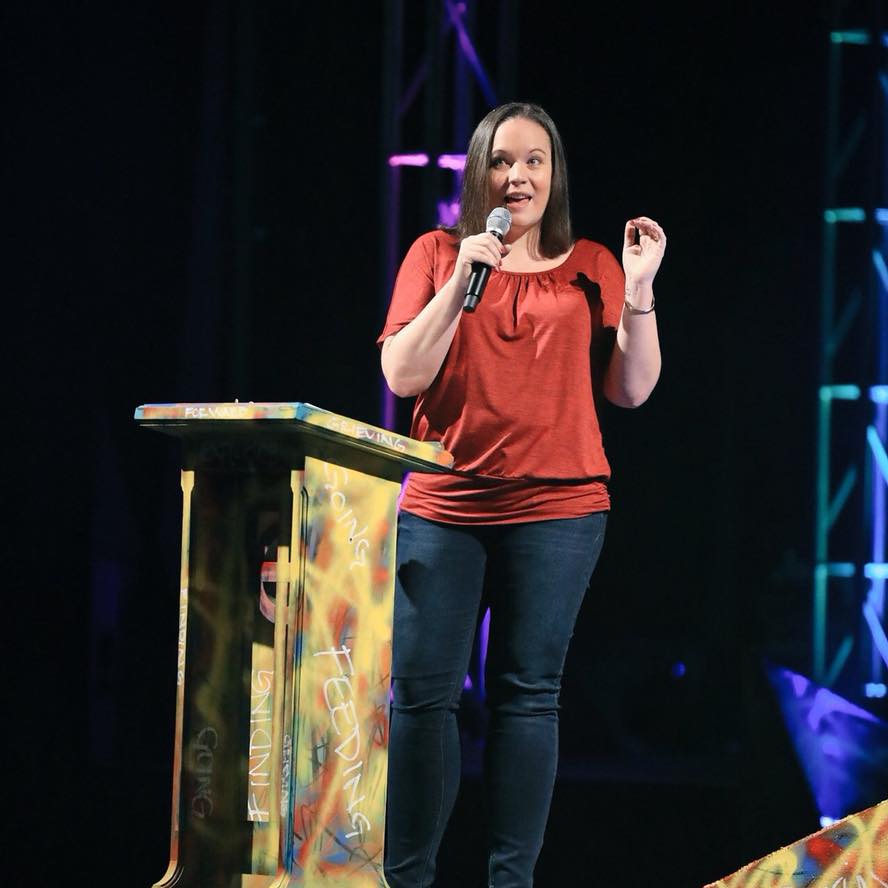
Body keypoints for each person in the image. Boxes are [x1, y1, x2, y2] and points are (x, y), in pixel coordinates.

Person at [377, 101, 665, 888]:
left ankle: (511, 882)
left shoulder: (594, 264)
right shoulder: (438, 254)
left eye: (535, 161)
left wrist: (638, 292)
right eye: (503, 161)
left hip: (560, 508)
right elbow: (401, 375)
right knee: (421, 697)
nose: (519, 176)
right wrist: (466, 273)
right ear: (480, 173)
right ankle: (407, 879)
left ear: (555, 175)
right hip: (445, 503)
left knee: (527, 697)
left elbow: (631, 390)